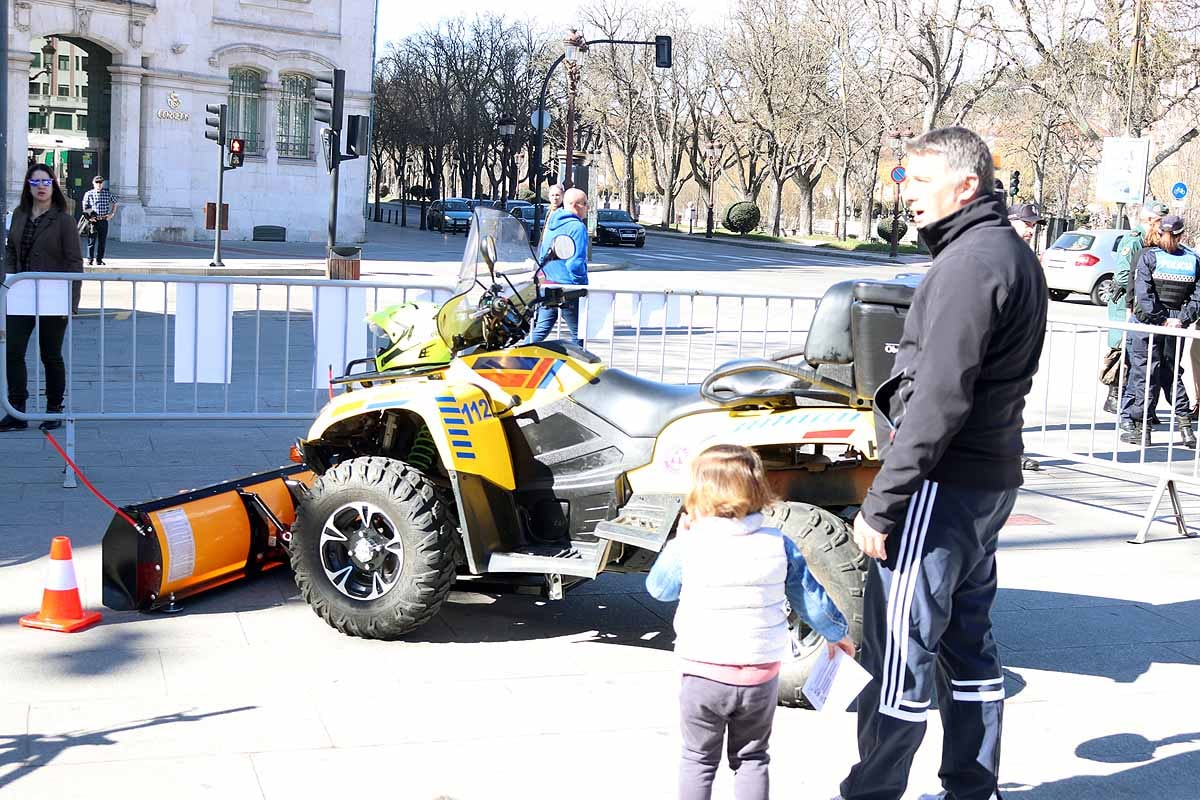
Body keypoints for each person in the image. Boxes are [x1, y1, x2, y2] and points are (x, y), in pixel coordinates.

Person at [833, 127, 1047, 800]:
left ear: (966, 185)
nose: (908, 194)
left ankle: (873, 791)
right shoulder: (1005, 254)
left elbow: (938, 401)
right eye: (906, 180)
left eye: (919, 181)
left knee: (899, 655)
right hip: (983, 481)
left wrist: (884, 501)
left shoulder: (972, 263)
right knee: (967, 647)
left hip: (942, 482)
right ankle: (971, 787)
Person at [646, 444, 855, 800]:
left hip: (703, 675)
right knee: (752, 758)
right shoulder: (781, 544)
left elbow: (658, 590)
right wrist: (838, 634)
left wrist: (679, 541)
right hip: (760, 675)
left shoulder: (690, 544)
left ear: (699, 493)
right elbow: (811, 600)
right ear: (758, 489)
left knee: (697, 759)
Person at [2, 163, 84, 432]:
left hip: (53, 296)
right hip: (21, 293)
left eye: (46, 182)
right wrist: (11, 279)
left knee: (51, 355)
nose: (40, 187)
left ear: (53, 186)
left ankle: (54, 409)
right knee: (13, 352)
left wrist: (71, 303)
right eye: (35, 182)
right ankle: (17, 411)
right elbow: (11, 252)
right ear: (28, 186)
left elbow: (74, 262)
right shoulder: (19, 215)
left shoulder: (63, 220)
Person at [1118, 214, 1200, 448]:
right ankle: (1186, 429)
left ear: (1160, 232)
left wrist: (1161, 319)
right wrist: (1181, 319)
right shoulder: (1192, 260)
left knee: (1145, 373)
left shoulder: (1149, 256)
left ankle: (1142, 431)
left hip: (1150, 322)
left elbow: (1143, 296)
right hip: (1176, 323)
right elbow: (1197, 297)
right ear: (1181, 234)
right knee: (1171, 374)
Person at [1105, 200, 1168, 414]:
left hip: (1140, 302)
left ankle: (1131, 400)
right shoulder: (1133, 240)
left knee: (1137, 351)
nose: (1161, 225)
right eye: (1159, 221)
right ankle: (1114, 396)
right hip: (1126, 301)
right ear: (1149, 220)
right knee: (1123, 348)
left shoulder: (1154, 240)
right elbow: (1122, 275)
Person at [530, 187, 589, 344]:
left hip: (548, 282)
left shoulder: (552, 223)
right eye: (586, 204)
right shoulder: (578, 227)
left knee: (541, 329)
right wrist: (580, 285)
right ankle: (580, 366)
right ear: (576, 205)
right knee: (579, 333)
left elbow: (543, 253)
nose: (587, 208)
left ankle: (519, 356)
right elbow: (575, 262)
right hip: (568, 287)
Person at [81, 175, 118, 266]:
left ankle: (99, 259)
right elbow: (85, 206)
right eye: (97, 183)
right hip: (93, 221)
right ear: (93, 183)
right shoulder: (89, 194)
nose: (99, 184)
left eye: (100, 183)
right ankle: (89, 259)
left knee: (102, 241)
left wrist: (112, 214)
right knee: (91, 240)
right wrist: (89, 217)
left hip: (103, 220)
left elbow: (115, 202)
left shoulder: (107, 193)